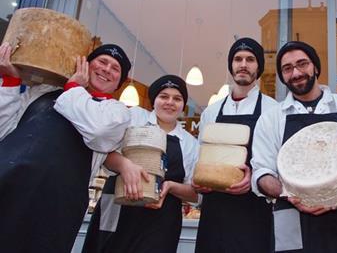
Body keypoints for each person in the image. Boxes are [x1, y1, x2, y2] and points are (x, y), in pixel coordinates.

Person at [0, 42, 132, 253]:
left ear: (119, 83)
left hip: (55, 206)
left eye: (115, 68)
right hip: (6, 180)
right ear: (85, 64)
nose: (107, 69)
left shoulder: (116, 113)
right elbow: (3, 129)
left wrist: (73, 87)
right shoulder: (43, 90)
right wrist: (10, 81)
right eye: (102, 61)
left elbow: (98, 131)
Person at [251, 41, 337, 253]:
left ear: (316, 67)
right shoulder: (271, 119)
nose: (296, 73)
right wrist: (289, 194)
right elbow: (262, 172)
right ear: (282, 77)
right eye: (287, 68)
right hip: (292, 218)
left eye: (303, 64)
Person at [82, 74, 199, 253]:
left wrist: (169, 186)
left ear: (183, 105)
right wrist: (124, 165)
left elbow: (195, 194)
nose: (170, 102)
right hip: (116, 209)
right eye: (164, 96)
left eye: (177, 98)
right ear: (153, 100)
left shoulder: (190, 143)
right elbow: (101, 150)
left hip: (161, 222)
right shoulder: (133, 116)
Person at [194, 37, 278, 253]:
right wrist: (199, 181)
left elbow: (279, 163)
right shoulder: (211, 112)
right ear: (231, 66)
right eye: (238, 59)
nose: (243, 64)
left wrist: (257, 179)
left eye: (250, 59)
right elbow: (200, 156)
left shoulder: (272, 111)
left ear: (258, 66)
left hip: (254, 211)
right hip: (214, 211)